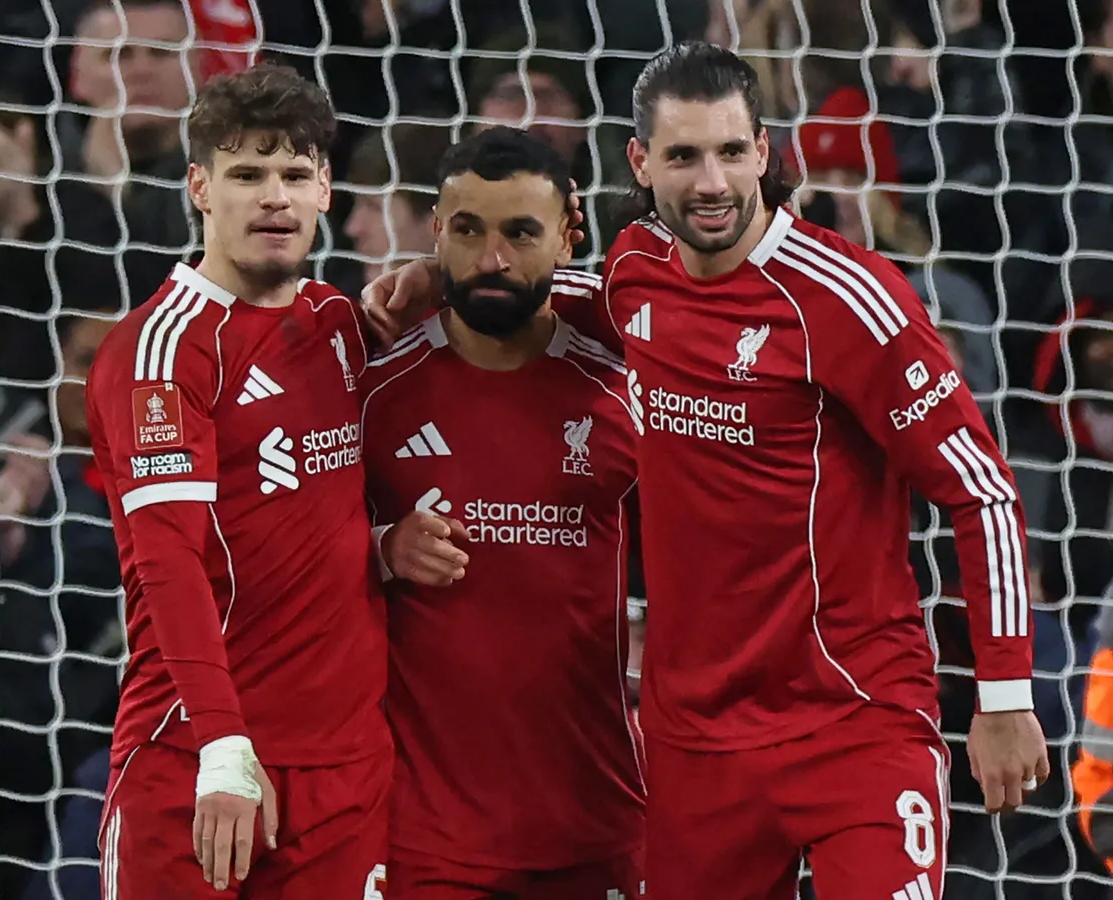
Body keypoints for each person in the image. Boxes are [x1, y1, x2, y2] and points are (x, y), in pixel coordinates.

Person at [361, 43, 1049, 900]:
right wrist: (451, 276)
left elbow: (978, 490)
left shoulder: (848, 297)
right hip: (695, 743)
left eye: (730, 151)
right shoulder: (637, 270)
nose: (712, 182)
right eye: (684, 156)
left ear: (764, 151)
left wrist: (1006, 692)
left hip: (853, 720)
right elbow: (579, 294)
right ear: (642, 163)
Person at [85, 63, 395, 898]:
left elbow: (321, 506)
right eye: (247, 174)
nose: (274, 198)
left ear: (327, 187)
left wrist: (390, 546)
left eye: (295, 174)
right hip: (196, 757)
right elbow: (167, 561)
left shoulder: (339, 325)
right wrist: (222, 745)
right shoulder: (162, 350)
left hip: (343, 773)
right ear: (199, 187)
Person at [362, 126, 645, 900]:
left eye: (520, 232)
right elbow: (282, 551)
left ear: (568, 235)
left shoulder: (623, 396)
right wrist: (382, 546)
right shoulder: (372, 392)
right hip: (429, 840)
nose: (491, 260)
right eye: (467, 231)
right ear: (435, 234)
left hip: (598, 821)